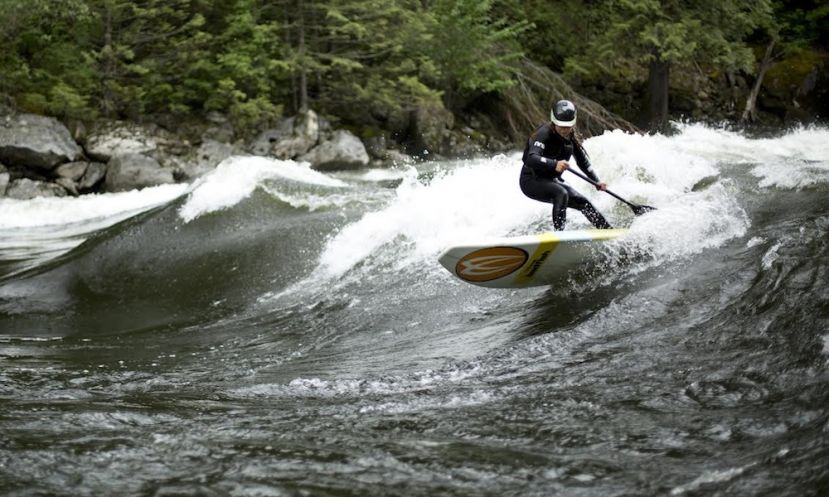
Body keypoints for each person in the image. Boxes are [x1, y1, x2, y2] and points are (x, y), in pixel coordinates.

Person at [520, 99, 613, 231]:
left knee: (584, 203)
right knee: (561, 193)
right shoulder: (543, 133)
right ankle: (559, 236)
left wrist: (596, 181)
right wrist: (554, 164)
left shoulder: (571, 139)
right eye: (561, 126)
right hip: (531, 180)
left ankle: (608, 232)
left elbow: (583, 162)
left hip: (552, 180)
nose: (564, 130)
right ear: (554, 121)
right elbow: (531, 158)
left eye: (568, 126)